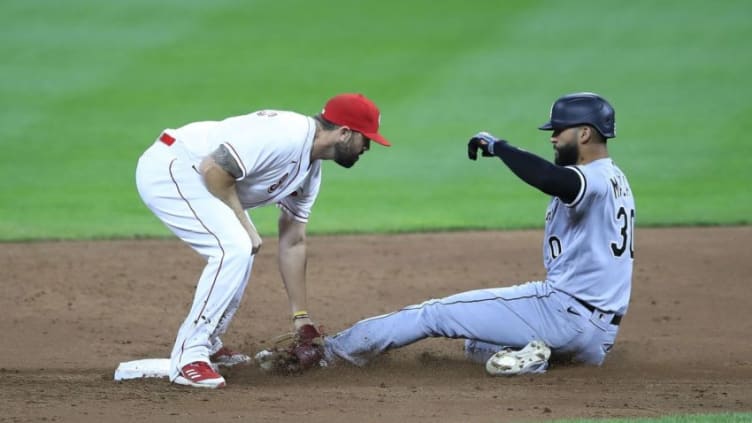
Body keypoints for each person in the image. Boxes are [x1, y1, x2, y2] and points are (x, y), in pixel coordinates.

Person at [263, 92, 634, 375]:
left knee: (433, 314)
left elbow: (550, 180)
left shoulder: (590, 180)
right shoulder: (616, 179)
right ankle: (538, 358)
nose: (552, 138)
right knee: (477, 343)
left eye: (558, 131)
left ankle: (327, 353)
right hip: (598, 337)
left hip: (563, 311)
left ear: (585, 133)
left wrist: (500, 147)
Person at [135, 93, 391, 388]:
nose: (368, 147)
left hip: (197, 175)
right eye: (366, 139)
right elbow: (213, 169)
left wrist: (301, 317)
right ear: (344, 133)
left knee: (240, 246)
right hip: (172, 166)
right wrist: (245, 224)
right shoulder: (285, 135)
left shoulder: (309, 172)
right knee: (234, 246)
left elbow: (293, 240)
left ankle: (209, 341)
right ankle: (188, 356)